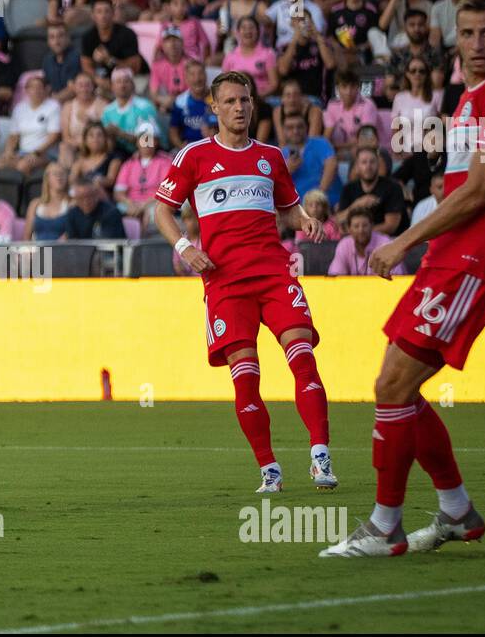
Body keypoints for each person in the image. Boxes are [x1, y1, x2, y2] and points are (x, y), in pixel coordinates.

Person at [320, 0, 485, 558]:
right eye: (466, 34)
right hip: (451, 254)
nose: (475, 45)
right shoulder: (469, 99)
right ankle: (455, 511)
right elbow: (459, 187)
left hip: (476, 258)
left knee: (392, 386)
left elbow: (482, 190)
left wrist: (401, 241)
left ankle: (385, 526)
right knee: (398, 386)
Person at [154, 69, 336, 494]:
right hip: (225, 283)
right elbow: (162, 210)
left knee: (303, 357)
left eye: (246, 100)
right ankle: (269, 468)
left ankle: (320, 455)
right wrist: (185, 248)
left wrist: (306, 220)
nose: (240, 108)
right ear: (214, 107)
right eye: (231, 101)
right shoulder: (194, 156)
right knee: (246, 376)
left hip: (274, 273)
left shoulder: (269, 157)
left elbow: (288, 210)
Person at [0, 74, 61, 175]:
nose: (35, 90)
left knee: (23, 166)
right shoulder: (20, 108)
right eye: (32, 87)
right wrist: (9, 152)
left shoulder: (53, 106)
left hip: (45, 153)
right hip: (23, 152)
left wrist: (36, 152)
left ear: (46, 89)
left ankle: (25, 190)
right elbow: (13, 136)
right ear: (26, 90)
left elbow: (54, 136)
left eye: (39, 87)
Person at [81, 0, 144, 93]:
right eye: (99, 11)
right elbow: (86, 66)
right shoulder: (88, 37)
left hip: (132, 79)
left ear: (113, 13)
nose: (103, 15)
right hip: (104, 80)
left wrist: (109, 60)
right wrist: (97, 79)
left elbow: (135, 68)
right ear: (92, 15)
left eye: (107, 11)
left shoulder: (127, 34)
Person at [113, 122, 170, 228]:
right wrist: (131, 204)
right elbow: (118, 193)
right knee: (115, 214)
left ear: (156, 142)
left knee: (156, 213)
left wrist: (143, 206)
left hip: (154, 204)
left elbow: (166, 191)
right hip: (131, 204)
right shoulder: (128, 163)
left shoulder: (165, 162)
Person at [339, 147, 407, 234]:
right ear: (357, 166)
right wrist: (357, 204)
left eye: (372, 162)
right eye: (364, 162)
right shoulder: (348, 188)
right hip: (358, 242)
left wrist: (358, 233)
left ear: (378, 164)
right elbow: (339, 219)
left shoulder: (393, 187)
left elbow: (391, 226)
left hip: (391, 241)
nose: (368, 166)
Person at [101, 66, 162, 156]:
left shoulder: (145, 107)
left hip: (143, 155)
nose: (122, 85)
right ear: (112, 86)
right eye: (118, 82)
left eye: (126, 81)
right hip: (117, 155)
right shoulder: (107, 111)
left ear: (133, 85)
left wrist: (120, 133)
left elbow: (148, 143)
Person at [280, 111, 338, 202]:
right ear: (283, 131)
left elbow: (332, 165)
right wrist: (287, 170)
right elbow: (274, 184)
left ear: (306, 127)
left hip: (323, 202)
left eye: (300, 126)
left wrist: (318, 195)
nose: (296, 131)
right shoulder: (279, 153)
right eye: (290, 128)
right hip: (297, 207)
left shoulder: (321, 143)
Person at [328, 209, 405, 276]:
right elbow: (335, 276)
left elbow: (396, 277)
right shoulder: (344, 245)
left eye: (365, 225)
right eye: (356, 226)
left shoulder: (385, 243)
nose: (361, 230)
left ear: (372, 226)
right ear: (349, 229)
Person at [222, 17, 278, 98]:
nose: (248, 31)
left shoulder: (268, 54)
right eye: (244, 28)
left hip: (261, 99)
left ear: (258, 31)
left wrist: (255, 98)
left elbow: (274, 84)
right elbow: (224, 83)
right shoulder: (230, 56)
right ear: (238, 32)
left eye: (251, 27)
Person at [60, 71, 108, 164]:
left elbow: (105, 131)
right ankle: (68, 175)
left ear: (93, 86)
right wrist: (80, 144)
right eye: (80, 85)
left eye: (87, 85)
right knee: (64, 147)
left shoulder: (102, 104)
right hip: (75, 145)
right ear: (74, 87)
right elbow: (65, 137)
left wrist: (90, 121)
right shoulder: (68, 106)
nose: (84, 89)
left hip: (96, 143)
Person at [170, 59, 218, 147]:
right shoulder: (180, 102)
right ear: (186, 79)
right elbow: (173, 132)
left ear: (206, 76)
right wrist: (181, 146)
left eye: (200, 73)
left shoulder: (217, 99)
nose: (197, 79)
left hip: (215, 146)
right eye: (192, 74)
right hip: (190, 148)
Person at [70, 120, 123, 191]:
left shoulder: (114, 157)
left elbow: (111, 181)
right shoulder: (80, 160)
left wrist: (100, 180)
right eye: (91, 135)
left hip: (104, 196)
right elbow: (72, 179)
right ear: (85, 140)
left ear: (105, 139)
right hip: (83, 194)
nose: (95, 139)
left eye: (99, 135)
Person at [25, 162, 71, 241]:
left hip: (62, 250)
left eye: (62, 174)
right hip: (38, 250)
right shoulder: (35, 204)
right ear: (47, 178)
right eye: (55, 174)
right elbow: (26, 236)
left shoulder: (72, 203)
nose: (59, 177)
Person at [42, 23, 82, 101]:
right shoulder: (47, 60)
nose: (56, 41)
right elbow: (48, 86)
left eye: (60, 36)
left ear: (68, 38)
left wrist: (51, 101)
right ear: (48, 41)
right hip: (55, 102)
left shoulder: (76, 57)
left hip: (74, 102)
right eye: (52, 37)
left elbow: (73, 90)